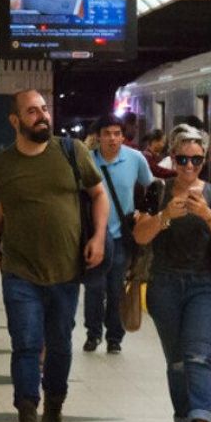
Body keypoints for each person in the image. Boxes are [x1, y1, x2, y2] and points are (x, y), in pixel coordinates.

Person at [0, 89, 109, 422]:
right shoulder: (1, 166)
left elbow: (99, 194)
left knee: (59, 346)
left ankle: (53, 411)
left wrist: (100, 238)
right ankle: (26, 417)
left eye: (44, 109)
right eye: (32, 111)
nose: (42, 116)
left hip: (66, 270)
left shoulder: (72, 152)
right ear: (15, 121)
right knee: (26, 344)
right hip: (20, 271)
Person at [132, 125, 211, 422]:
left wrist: (206, 215)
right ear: (172, 158)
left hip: (206, 286)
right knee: (176, 360)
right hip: (165, 285)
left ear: (204, 160)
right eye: (182, 159)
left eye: (197, 160)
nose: (189, 167)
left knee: (198, 355)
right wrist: (163, 216)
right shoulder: (156, 191)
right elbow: (140, 236)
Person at [83, 114, 152, 354]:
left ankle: (115, 337)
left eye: (117, 134)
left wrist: (143, 213)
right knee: (94, 287)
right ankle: (92, 334)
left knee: (115, 289)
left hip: (122, 235)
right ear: (98, 137)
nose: (112, 139)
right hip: (95, 235)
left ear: (123, 136)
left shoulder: (135, 159)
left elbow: (152, 187)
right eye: (107, 134)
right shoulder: (87, 161)